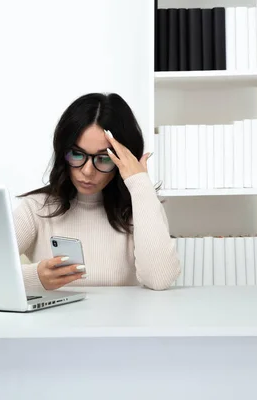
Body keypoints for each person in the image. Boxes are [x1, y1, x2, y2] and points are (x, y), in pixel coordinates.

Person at [13, 92, 180, 291]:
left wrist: (139, 182)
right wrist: (34, 277)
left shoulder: (141, 206)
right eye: (76, 154)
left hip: (123, 322)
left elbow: (159, 279)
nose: (87, 171)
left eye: (104, 158)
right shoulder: (36, 208)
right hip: (56, 322)